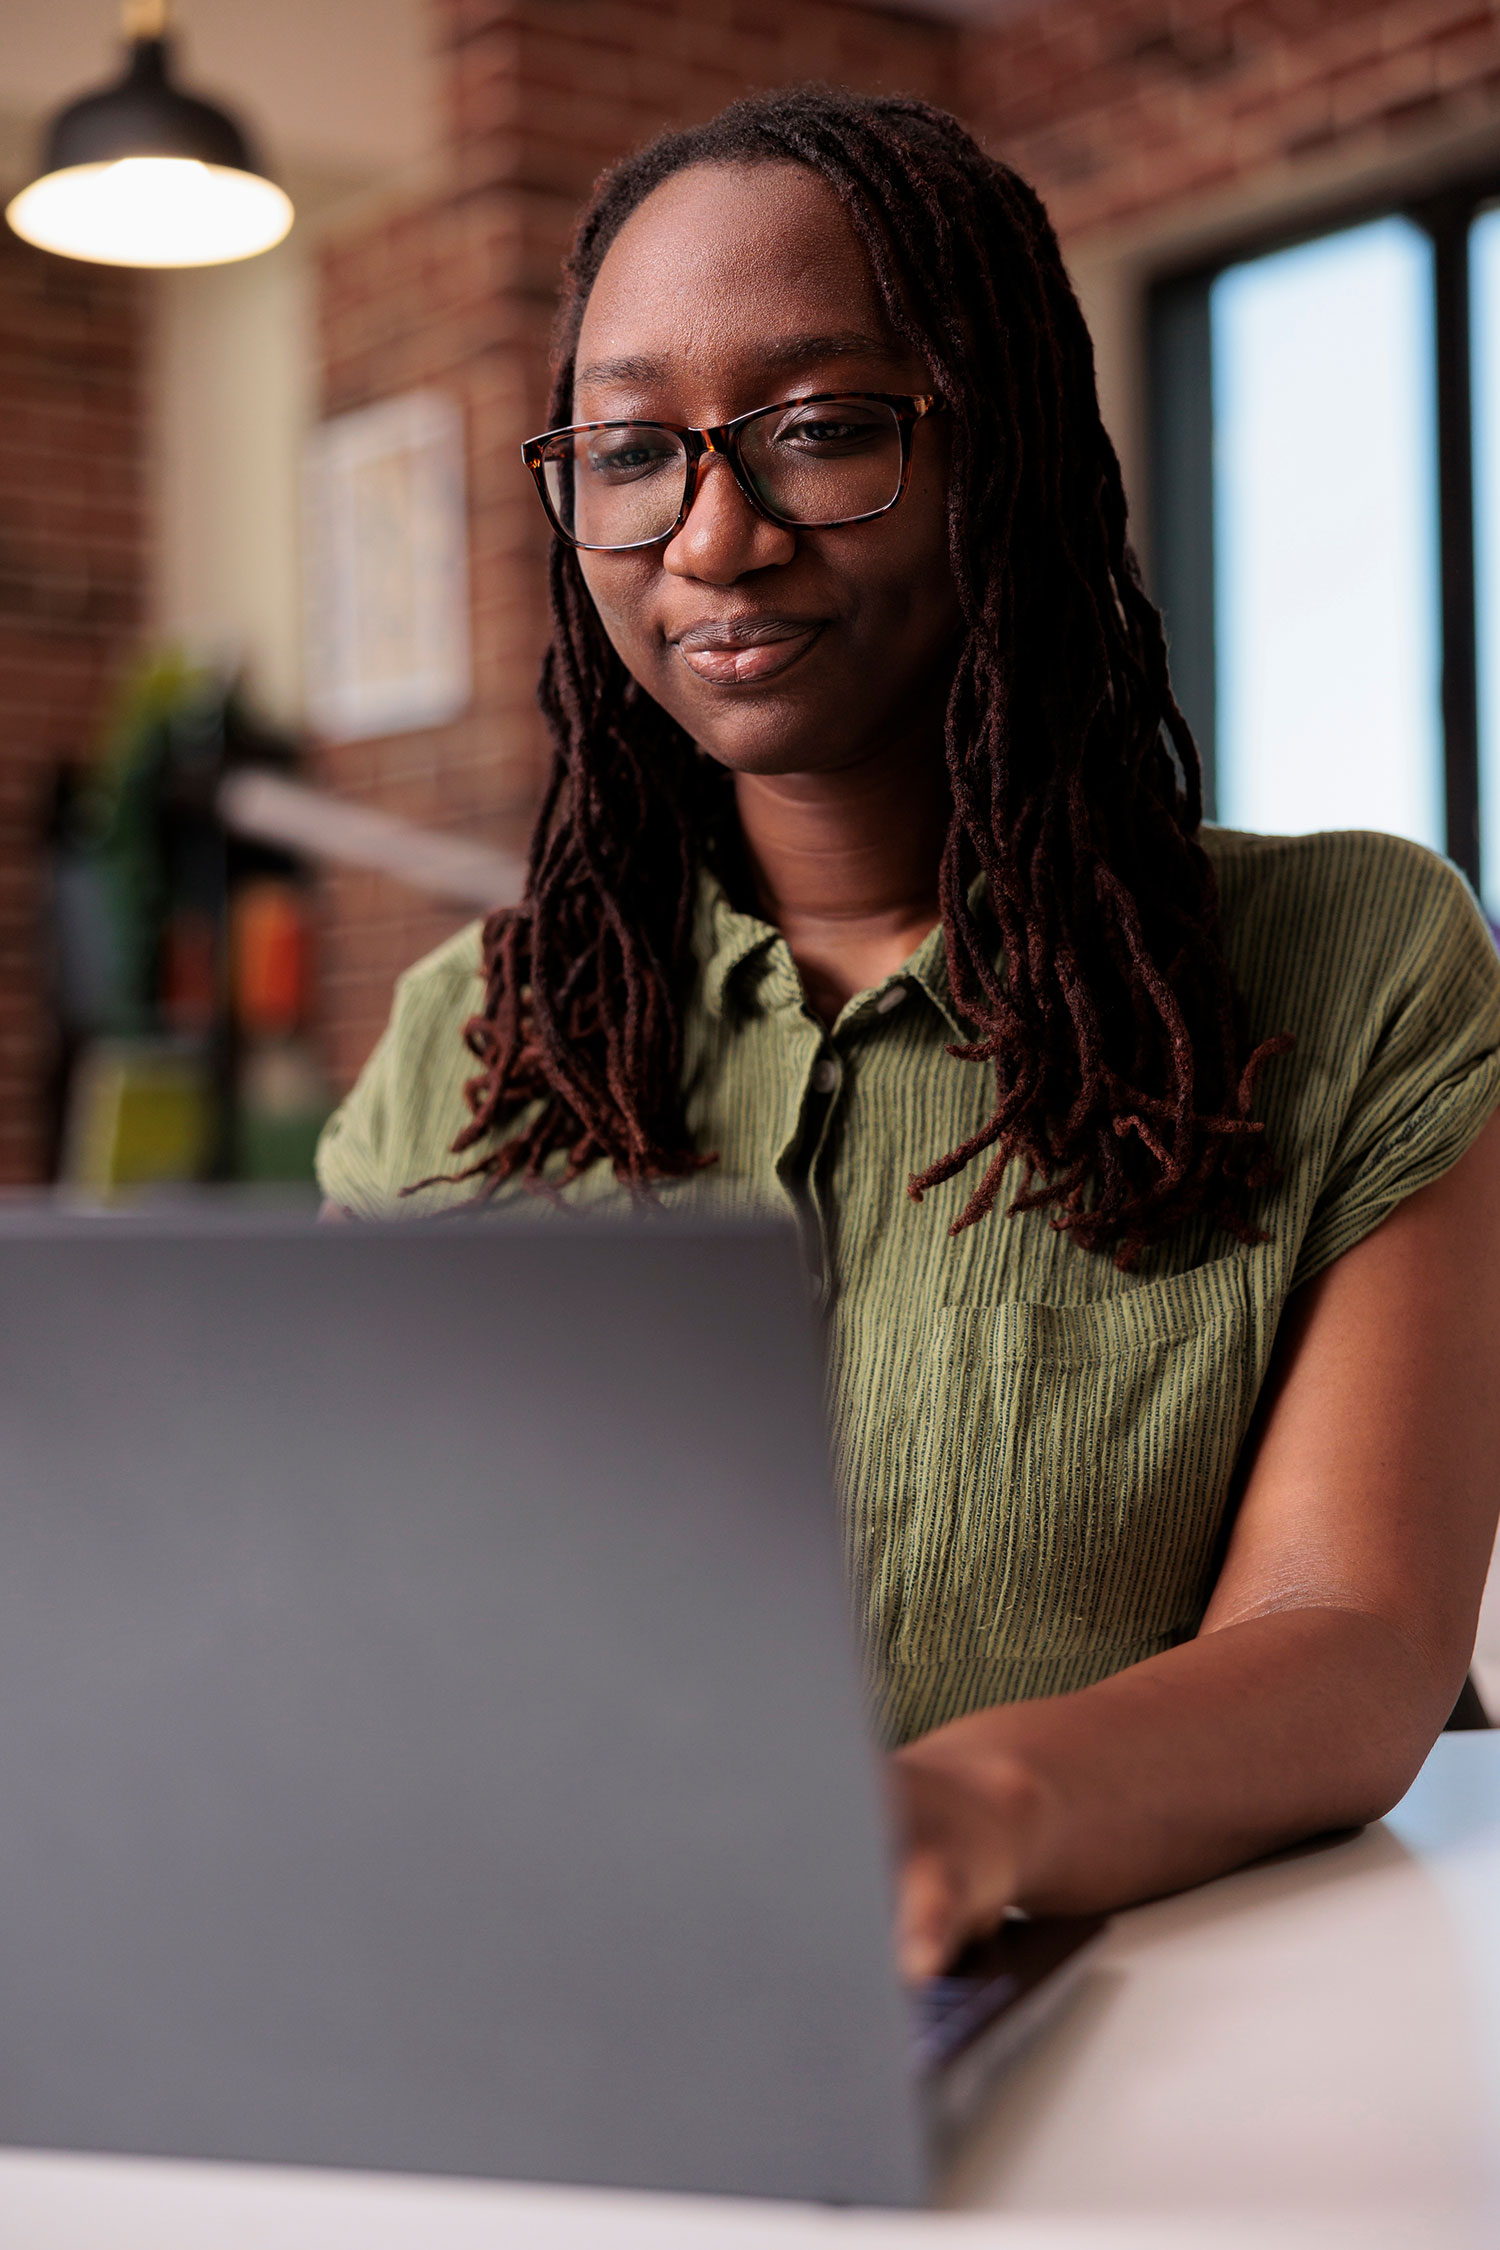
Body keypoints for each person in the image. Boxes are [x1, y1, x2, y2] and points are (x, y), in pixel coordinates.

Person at [317, 87, 1500, 1982]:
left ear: (1001, 449)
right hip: (568, 1996)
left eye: (823, 431)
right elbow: (351, 1618)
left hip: (1165, 2035)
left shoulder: (1352, 961)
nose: (713, 534)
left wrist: (965, 1811)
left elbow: (1359, 1635)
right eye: (631, 450)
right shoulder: (475, 1040)